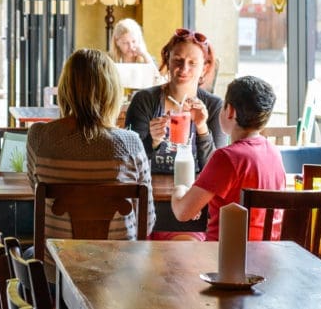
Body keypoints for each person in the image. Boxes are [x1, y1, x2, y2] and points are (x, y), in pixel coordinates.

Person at [25, 49, 155, 265]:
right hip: (120, 275)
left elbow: (37, 195)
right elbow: (147, 222)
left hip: (58, 272)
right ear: (112, 92)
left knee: (29, 254)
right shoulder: (130, 144)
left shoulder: (39, 138)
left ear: (65, 89)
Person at [169, 75, 286, 241]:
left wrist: (179, 188)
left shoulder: (226, 157)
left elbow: (182, 213)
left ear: (230, 111)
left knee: (172, 240)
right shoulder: (275, 153)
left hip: (225, 256)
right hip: (266, 256)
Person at [126, 28, 226, 172]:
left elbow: (217, 171)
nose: (184, 68)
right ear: (168, 60)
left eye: (192, 63)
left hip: (195, 192)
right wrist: (153, 141)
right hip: (150, 191)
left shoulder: (214, 106)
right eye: (178, 60)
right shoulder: (144, 100)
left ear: (204, 68)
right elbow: (130, 163)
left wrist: (202, 128)